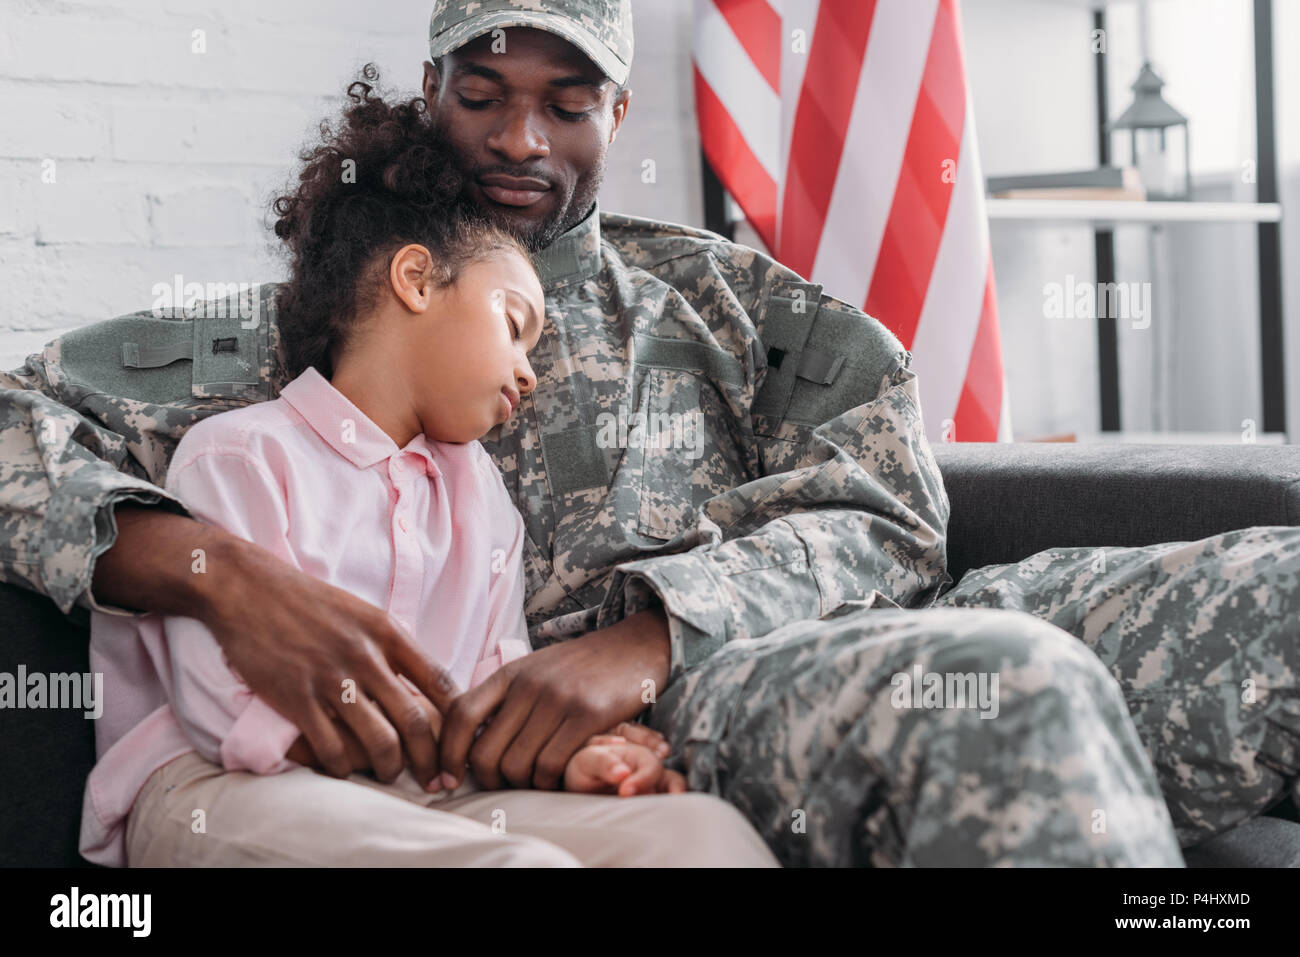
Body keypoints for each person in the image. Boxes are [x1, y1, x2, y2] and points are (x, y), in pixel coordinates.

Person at [2, 0, 1296, 866]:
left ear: (618, 118)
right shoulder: (320, 316)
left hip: (831, 627)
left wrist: (654, 631)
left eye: (568, 102)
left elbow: (893, 496)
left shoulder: (725, 296)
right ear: (431, 93)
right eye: (484, 91)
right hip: (721, 711)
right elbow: (16, 422)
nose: (520, 134)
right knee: (1005, 684)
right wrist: (219, 576)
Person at [78, 74, 771, 868]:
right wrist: (429, 752)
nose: (530, 371)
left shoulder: (483, 499)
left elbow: (490, 684)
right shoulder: (240, 455)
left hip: (426, 787)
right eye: (514, 328)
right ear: (414, 280)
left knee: (699, 837)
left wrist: (569, 754)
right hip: (215, 787)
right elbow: (216, 707)